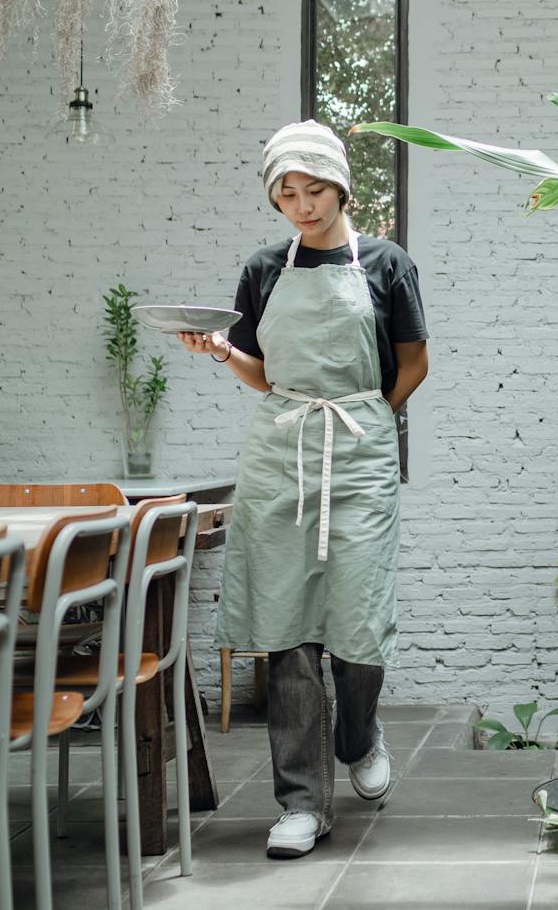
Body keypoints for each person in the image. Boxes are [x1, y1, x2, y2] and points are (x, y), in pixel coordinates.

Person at [178, 120, 430, 858]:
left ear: (341, 187)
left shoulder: (386, 263)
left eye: (314, 189)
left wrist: (371, 417)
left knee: (358, 616)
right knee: (287, 625)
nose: (302, 205)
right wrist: (220, 350)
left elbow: (414, 361)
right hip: (281, 450)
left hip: (357, 449)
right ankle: (300, 802)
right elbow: (262, 373)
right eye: (286, 193)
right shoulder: (263, 269)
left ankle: (360, 734)